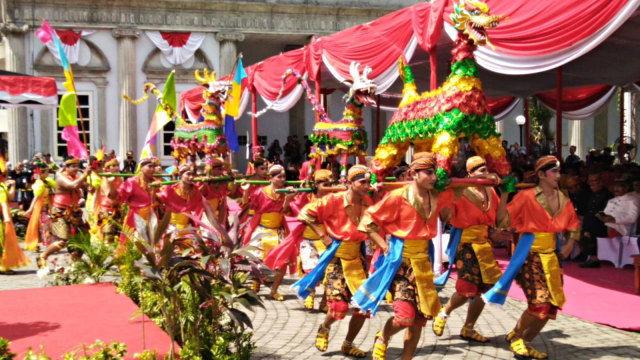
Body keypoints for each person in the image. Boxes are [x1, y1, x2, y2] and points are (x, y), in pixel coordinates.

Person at [354, 153, 457, 360]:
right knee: (404, 318)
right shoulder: (397, 197)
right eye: (428, 173)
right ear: (413, 174)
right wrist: (383, 245)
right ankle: (383, 336)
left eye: (434, 172)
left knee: (419, 320)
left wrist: (488, 178)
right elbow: (368, 222)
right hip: (402, 262)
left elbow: (463, 192)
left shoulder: (438, 195)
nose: (434, 177)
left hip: (424, 262)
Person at [492, 155, 580, 360]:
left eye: (559, 171)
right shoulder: (526, 197)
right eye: (554, 172)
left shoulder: (563, 198)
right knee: (539, 303)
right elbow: (503, 222)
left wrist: (569, 244)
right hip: (529, 256)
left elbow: (574, 226)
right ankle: (517, 340)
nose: (559, 176)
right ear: (541, 175)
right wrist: (505, 196)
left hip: (553, 257)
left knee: (550, 306)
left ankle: (521, 337)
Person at [293, 164, 373, 358]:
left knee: (364, 306)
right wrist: (321, 234)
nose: (366, 186)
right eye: (362, 182)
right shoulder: (333, 200)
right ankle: (324, 327)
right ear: (350, 183)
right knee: (339, 307)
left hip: (358, 257)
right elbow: (304, 214)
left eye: (369, 182)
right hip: (336, 258)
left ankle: (348, 343)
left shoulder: (368, 201)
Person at [431, 156, 503, 343]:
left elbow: (498, 217)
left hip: (484, 244)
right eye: (480, 170)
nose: (485, 172)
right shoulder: (460, 191)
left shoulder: (490, 190)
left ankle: (468, 328)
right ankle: (443, 313)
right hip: (466, 244)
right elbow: (446, 216)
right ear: (469, 173)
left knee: (486, 290)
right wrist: (444, 192)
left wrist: (505, 192)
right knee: (467, 289)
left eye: (486, 168)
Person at [265, 169, 334, 311]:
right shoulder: (306, 197)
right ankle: (309, 295)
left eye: (330, 184)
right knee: (310, 268)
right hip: (307, 240)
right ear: (316, 184)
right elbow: (289, 211)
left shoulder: (334, 197)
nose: (328, 187)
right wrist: (289, 198)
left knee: (329, 271)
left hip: (327, 240)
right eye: (325, 184)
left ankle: (325, 302)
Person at [242, 164, 295, 300]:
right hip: (261, 229)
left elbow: (287, 213)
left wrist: (288, 198)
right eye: (279, 177)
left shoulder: (286, 192)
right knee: (254, 259)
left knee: (282, 262)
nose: (283, 179)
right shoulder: (261, 192)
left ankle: (274, 290)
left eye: (284, 177)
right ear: (271, 178)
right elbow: (245, 204)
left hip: (278, 230)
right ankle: (255, 283)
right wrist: (246, 191)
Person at [37, 157, 91, 269]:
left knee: (85, 235)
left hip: (74, 212)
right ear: (66, 168)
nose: (76, 169)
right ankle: (43, 255)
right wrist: (85, 175)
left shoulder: (76, 177)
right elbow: (72, 186)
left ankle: (76, 258)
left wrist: (89, 181)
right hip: (59, 212)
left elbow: (89, 188)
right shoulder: (61, 178)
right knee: (63, 240)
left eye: (77, 166)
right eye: (73, 167)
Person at [157, 163, 205, 243]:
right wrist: (153, 191)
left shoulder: (194, 189)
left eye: (192, 174)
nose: (191, 177)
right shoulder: (171, 189)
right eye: (188, 174)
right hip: (172, 227)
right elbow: (158, 200)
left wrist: (205, 185)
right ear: (180, 175)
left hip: (188, 228)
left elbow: (197, 204)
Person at [118, 157, 159, 238]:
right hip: (135, 217)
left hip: (152, 217)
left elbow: (158, 201)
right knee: (132, 243)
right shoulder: (132, 182)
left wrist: (154, 190)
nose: (152, 169)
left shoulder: (156, 182)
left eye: (153, 167)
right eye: (149, 166)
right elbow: (120, 196)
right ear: (141, 168)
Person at [578, 172, 612, 268]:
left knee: (591, 227)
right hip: (591, 221)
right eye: (590, 181)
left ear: (601, 182)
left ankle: (594, 258)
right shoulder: (590, 194)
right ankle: (585, 254)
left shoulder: (607, 195)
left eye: (595, 181)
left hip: (604, 223)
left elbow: (605, 212)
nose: (592, 184)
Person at [0, 170, 30, 273]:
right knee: (2, 241)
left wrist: (13, 186)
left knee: (3, 242)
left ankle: (3, 265)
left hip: (3, 217)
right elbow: (3, 203)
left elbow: (10, 198)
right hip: (2, 217)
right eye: (5, 175)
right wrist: (6, 217)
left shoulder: (2, 187)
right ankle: (3, 266)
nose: (7, 177)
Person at [24, 162, 55, 251]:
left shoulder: (48, 182)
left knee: (49, 225)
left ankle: (46, 243)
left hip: (49, 208)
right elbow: (36, 198)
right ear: (41, 173)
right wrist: (30, 209)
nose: (48, 173)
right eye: (46, 172)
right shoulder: (39, 185)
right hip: (42, 209)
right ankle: (47, 245)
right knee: (44, 226)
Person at [95, 157, 123, 243]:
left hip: (118, 209)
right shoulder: (105, 180)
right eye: (113, 166)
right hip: (108, 211)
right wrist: (111, 183)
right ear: (107, 168)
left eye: (117, 165)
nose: (116, 168)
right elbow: (111, 195)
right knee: (108, 235)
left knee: (119, 235)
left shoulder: (119, 179)